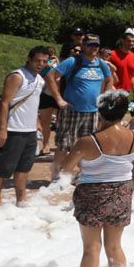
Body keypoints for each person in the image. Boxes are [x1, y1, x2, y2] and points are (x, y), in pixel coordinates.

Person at [60, 90, 134, 267]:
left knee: (91, 248)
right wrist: (128, 191)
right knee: (114, 247)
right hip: (122, 193)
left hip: (91, 195)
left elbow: (65, 168)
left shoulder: (88, 141)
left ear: (100, 111)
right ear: (124, 112)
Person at [45, 34, 112, 178]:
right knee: (64, 144)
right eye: (90, 44)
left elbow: (109, 80)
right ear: (83, 45)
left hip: (92, 112)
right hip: (71, 111)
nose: (93, 48)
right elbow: (50, 76)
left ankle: (83, 175)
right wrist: (59, 99)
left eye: (96, 45)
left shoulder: (101, 64)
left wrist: (104, 98)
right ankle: (56, 177)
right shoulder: (72, 61)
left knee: (87, 145)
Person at [0, 46, 50, 209]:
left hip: (29, 131)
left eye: (44, 61)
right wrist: (3, 129)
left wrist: (37, 124)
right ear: (29, 59)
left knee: (24, 168)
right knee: (2, 169)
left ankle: (21, 200)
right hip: (12, 129)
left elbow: (33, 104)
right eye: (38, 60)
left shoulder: (40, 79)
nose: (41, 64)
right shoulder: (17, 76)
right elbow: (4, 102)